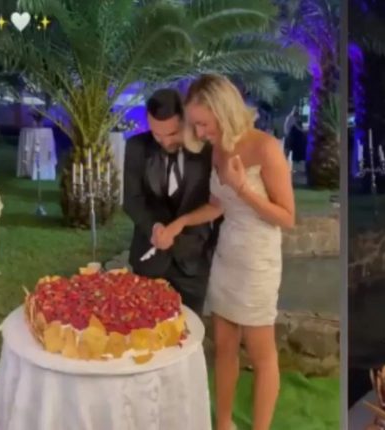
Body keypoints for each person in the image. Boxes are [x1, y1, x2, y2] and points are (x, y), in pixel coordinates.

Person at [158, 74, 295, 430]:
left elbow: (287, 217)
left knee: (262, 354)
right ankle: (222, 423)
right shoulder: (218, 148)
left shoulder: (266, 147)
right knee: (223, 347)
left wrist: (243, 188)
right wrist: (179, 223)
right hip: (227, 256)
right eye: (195, 125)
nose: (199, 132)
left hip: (258, 260)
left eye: (203, 124)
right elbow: (219, 205)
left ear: (223, 111)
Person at [122, 88, 218, 315]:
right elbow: (132, 200)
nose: (165, 141)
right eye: (157, 135)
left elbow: (217, 204)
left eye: (173, 133)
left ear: (186, 119)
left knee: (190, 329)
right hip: (149, 260)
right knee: (143, 327)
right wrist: (154, 227)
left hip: (192, 262)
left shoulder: (208, 150)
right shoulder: (136, 147)